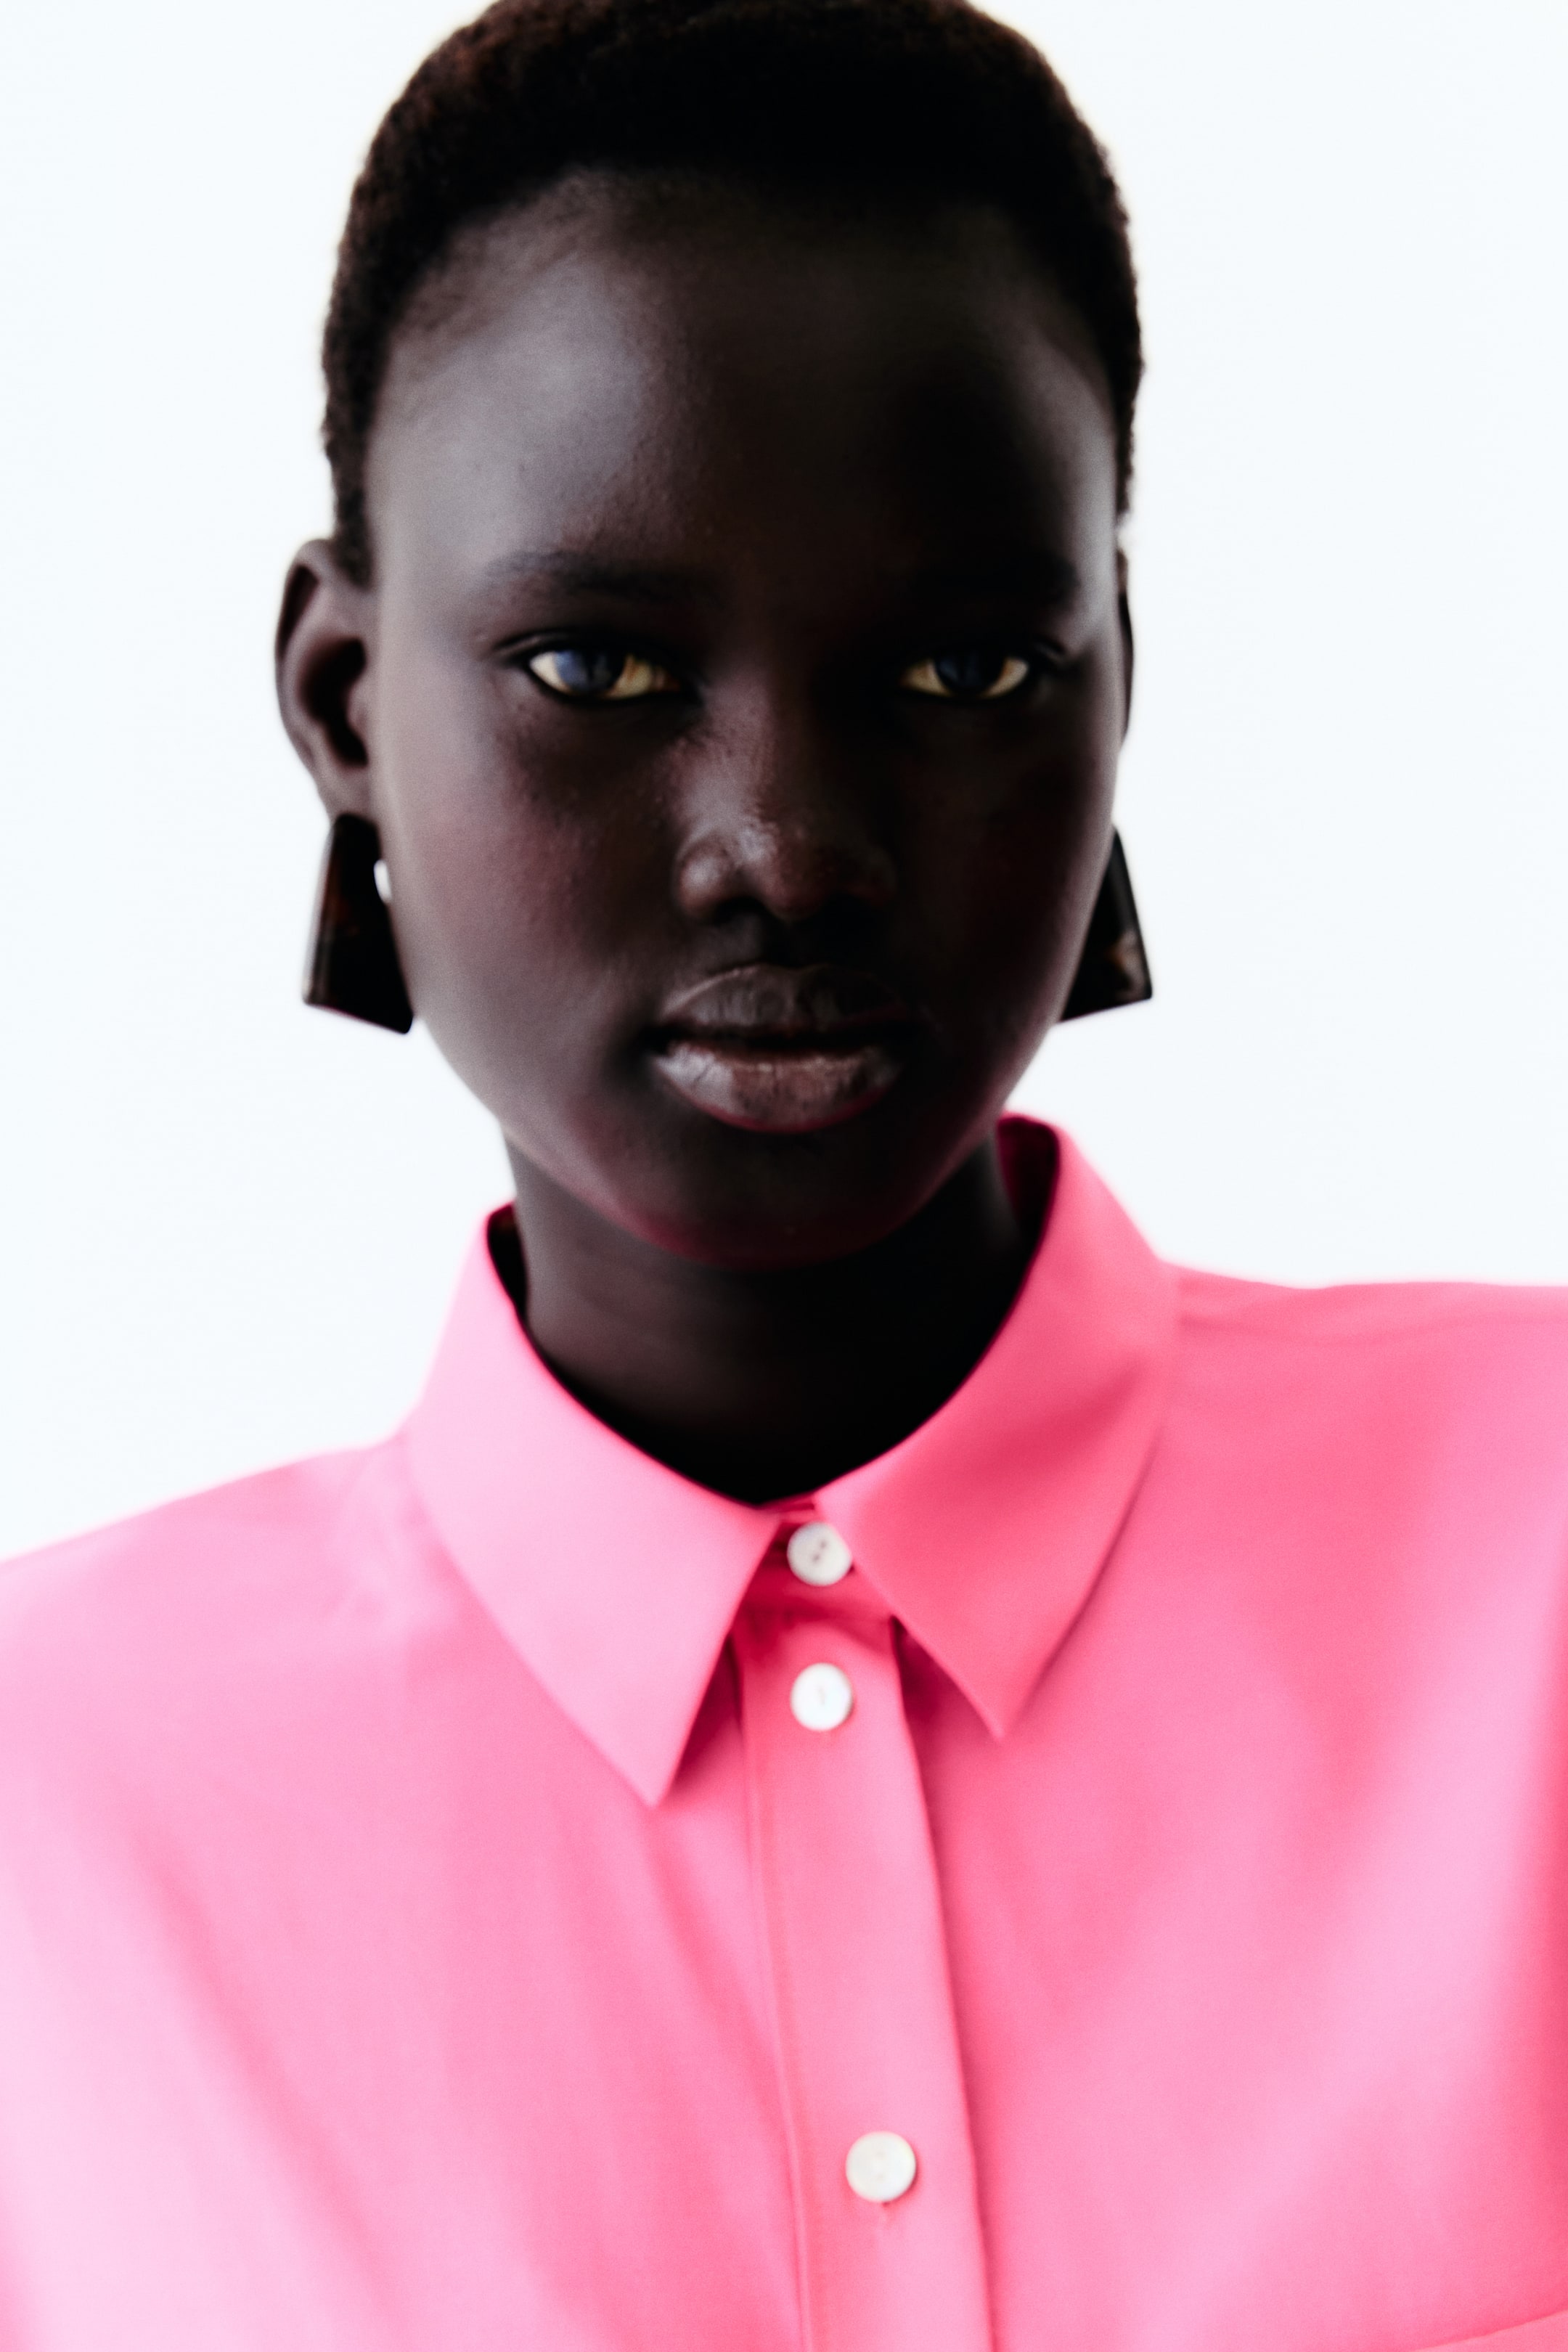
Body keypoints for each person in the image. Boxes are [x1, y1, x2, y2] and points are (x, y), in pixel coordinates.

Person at [1, 0, 1564, 2344]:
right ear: (341, 704)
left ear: (1114, 681)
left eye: (962, 675)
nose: (789, 850)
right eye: (597, 673)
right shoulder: (44, 1825)